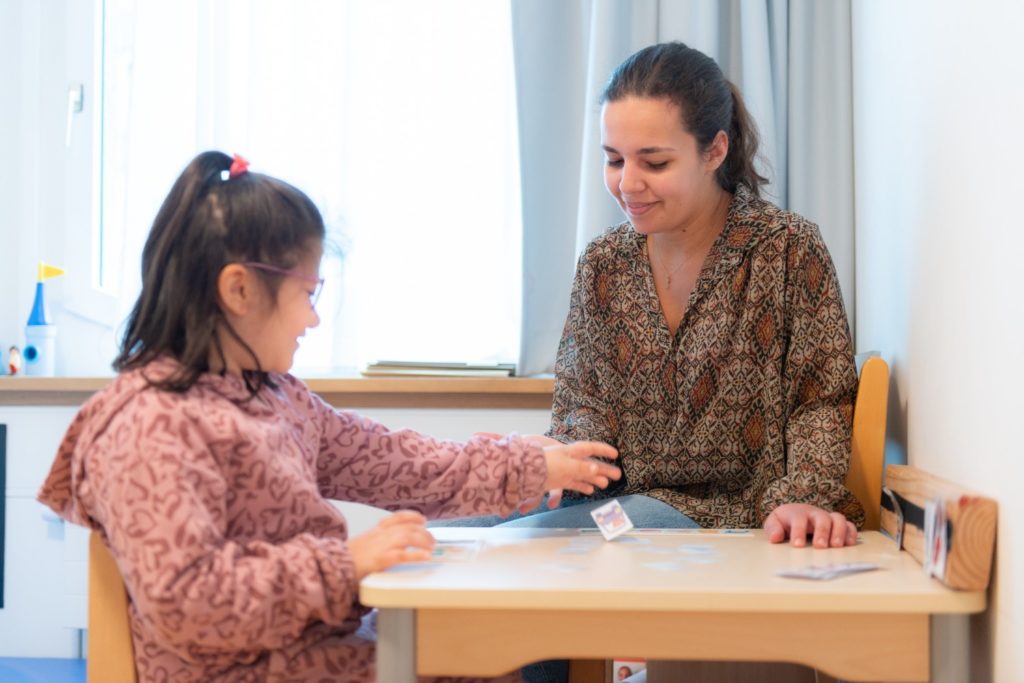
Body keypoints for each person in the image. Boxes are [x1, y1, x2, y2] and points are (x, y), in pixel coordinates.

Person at [36, 151, 621, 683]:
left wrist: (528, 463)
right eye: (308, 294)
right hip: (243, 670)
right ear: (239, 290)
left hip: (307, 649)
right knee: (482, 666)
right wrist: (346, 564)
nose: (312, 319)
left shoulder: (273, 396)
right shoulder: (150, 424)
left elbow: (396, 463)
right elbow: (189, 601)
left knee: (486, 655)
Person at [440, 41, 862, 552]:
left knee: (507, 551)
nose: (628, 184)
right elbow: (583, 405)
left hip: (729, 513)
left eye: (655, 163)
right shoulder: (603, 263)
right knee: (440, 534)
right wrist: (550, 453)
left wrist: (803, 498)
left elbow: (822, 402)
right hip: (614, 501)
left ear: (715, 151)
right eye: (614, 160)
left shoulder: (787, 248)